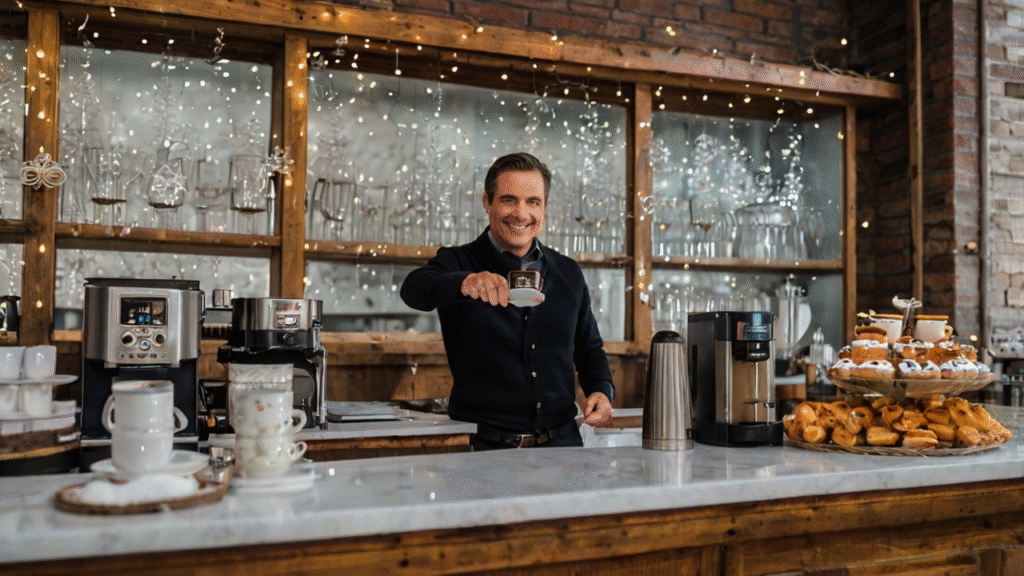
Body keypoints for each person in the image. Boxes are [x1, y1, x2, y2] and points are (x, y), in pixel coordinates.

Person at [400, 152, 615, 450]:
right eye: (509, 200)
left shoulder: (568, 272)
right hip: (485, 449)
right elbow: (413, 289)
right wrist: (465, 282)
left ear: (544, 207)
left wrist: (601, 390)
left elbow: (589, 348)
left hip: (563, 447)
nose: (521, 213)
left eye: (533, 202)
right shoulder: (459, 261)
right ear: (487, 202)